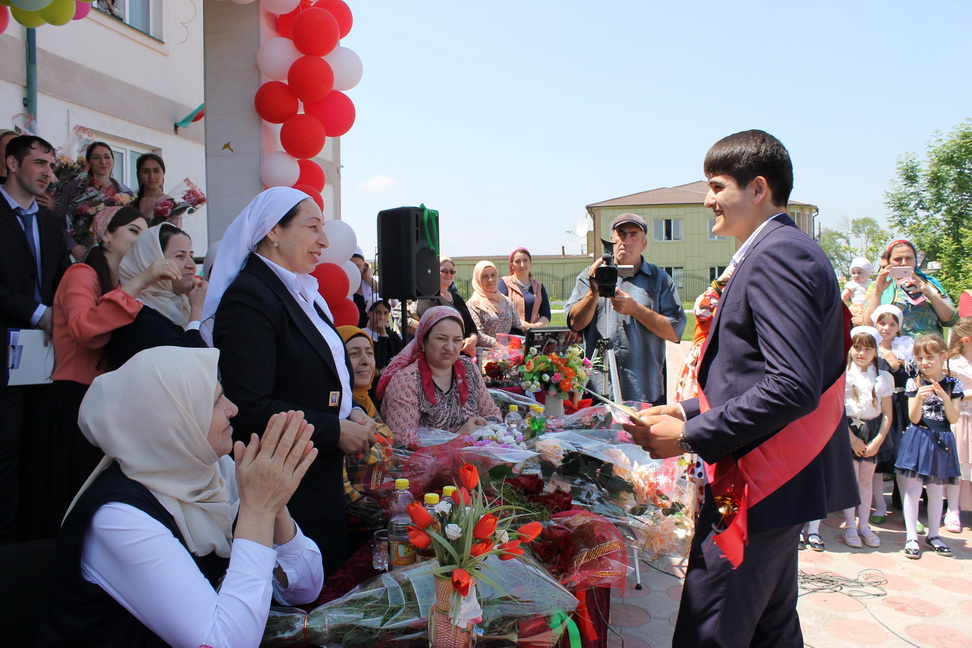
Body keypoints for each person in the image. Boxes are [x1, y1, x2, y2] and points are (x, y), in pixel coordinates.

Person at [624, 130, 856, 647]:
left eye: (716, 186)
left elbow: (791, 384)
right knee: (770, 629)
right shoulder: (776, 250)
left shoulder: (779, 255)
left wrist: (690, 436)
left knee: (713, 628)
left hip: (760, 479)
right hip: (769, 478)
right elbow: (749, 373)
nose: (707, 200)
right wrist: (687, 410)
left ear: (757, 188)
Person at [37, 347, 324, 648]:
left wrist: (274, 503)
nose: (232, 409)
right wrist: (259, 510)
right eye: (214, 402)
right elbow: (223, 643)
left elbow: (305, 589)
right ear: (174, 421)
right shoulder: (118, 517)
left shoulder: (215, 473)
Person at [203, 186, 377, 573]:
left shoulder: (302, 292)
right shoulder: (249, 298)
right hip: (286, 493)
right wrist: (335, 430)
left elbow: (323, 376)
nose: (324, 240)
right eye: (313, 227)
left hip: (318, 476)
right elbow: (250, 408)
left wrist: (351, 412)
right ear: (273, 231)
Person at [45, 206, 180, 537]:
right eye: (132, 230)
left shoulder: (118, 282)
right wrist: (142, 280)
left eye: (143, 232)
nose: (139, 238)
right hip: (74, 392)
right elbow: (85, 330)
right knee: (72, 487)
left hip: (105, 397)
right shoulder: (81, 273)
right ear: (106, 235)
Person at [0, 135, 71, 544]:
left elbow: (60, 276)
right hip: (8, 346)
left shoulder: (49, 221)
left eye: (51, 165)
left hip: (44, 354)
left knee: (38, 444)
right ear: (12, 164)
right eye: (40, 163)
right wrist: (38, 312)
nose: (48, 173)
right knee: (5, 446)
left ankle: (33, 540)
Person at [565, 213, 685, 406]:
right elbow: (575, 324)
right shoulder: (590, 275)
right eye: (621, 234)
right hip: (597, 390)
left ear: (644, 244)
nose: (626, 241)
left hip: (644, 390)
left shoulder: (659, 279)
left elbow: (675, 332)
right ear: (612, 240)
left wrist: (636, 310)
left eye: (633, 234)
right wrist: (593, 292)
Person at [378, 306, 502, 444]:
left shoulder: (469, 369)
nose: (449, 347)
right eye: (441, 338)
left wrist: (484, 426)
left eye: (457, 340)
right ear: (423, 341)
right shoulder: (407, 381)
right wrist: (457, 437)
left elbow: (493, 414)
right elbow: (402, 444)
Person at [895, 333, 962, 559]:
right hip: (919, 436)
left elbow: (953, 418)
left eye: (930, 357)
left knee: (936, 490)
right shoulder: (913, 382)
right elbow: (914, 418)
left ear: (943, 356)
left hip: (942, 439)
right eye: (920, 358)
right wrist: (919, 398)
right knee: (913, 489)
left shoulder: (953, 384)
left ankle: (934, 535)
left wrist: (944, 397)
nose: (925, 362)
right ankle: (911, 536)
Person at [107, 223, 209, 369]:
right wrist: (197, 310)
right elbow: (189, 366)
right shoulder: (139, 317)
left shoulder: (180, 304)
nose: (192, 265)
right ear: (151, 260)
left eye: (191, 256)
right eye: (180, 256)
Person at [338, 325, 395, 551]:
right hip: (354, 536)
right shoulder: (337, 412)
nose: (365, 361)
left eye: (369, 353)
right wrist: (389, 513)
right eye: (354, 354)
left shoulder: (368, 405)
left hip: (380, 527)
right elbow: (342, 491)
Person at [841, 326, 894, 549]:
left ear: (875, 352)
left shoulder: (883, 378)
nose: (861, 353)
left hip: (872, 432)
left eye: (868, 349)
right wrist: (853, 440)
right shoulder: (843, 376)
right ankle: (849, 525)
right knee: (851, 479)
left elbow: (887, 413)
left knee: (866, 480)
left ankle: (864, 524)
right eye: (857, 348)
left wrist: (878, 439)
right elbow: (836, 410)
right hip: (848, 431)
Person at [869, 304, 913, 525]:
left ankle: (908, 509)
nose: (886, 328)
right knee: (878, 460)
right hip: (877, 407)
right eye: (882, 323)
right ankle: (880, 504)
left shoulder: (905, 348)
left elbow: (912, 379)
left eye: (892, 324)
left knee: (903, 459)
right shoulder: (869, 347)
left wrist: (897, 364)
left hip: (901, 406)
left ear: (898, 327)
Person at [863, 238, 957, 338]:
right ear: (889, 262)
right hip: (895, 345)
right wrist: (878, 292)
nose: (904, 263)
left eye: (908, 258)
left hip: (930, 345)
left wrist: (929, 293)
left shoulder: (930, 283)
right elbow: (868, 324)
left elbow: (950, 319)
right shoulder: (878, 285)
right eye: (898, 259)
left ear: (915, 260)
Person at [55, 141, 133, 259]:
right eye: (96, 158)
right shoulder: (74, 187)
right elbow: (59, 221)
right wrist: (72, 246)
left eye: (107, 157)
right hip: (79, 255)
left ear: (113, 160)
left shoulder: (126, 193)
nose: (103, 162)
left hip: (113, 256)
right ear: (89, 162)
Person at [409, 257, 478, 356]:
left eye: (452, 271)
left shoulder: (457, 298)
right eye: (444, 271)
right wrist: (459, 342)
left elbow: (471, 324)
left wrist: (473, 338)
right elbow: (437, 328)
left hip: (464, 354)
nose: (449, 274)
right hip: (444, 355)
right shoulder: (428, 298)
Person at [947, 317, 972, 533]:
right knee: (959, 465)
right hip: (962, 419)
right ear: (966, 340)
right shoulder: (953, 364)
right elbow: (949, 394)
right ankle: (953, 509)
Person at [466, 260, 524, 347]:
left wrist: (514, 345)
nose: (490, 279)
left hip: (510, 352)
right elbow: (477, 334)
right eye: (485, 276)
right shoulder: (473, 304)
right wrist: (499, 345)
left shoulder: (507, 301)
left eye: (493, 275)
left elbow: (517, 328)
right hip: (485, 353)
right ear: (478, 279)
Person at [497, 247, 551, 329]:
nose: (522, 265)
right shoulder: (504, 284)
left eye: (525, 260)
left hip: (534, 334)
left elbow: (546, 314)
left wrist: (534, 327)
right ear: (512, 265)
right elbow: (501, 312)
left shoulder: (539, 286)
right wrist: (523, 325)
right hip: (512, 334)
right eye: (517, 261)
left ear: (530, 262)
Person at [131, 152, 175, 226]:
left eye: (156, 171)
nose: (151, 176)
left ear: (163, 173)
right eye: (145, 171)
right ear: (139, 174)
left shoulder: (171, 204)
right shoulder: (131, 202)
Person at [363, 294, 403, 375]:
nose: (381, 317)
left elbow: (402, 361)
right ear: (368, 313)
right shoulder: (362, 335)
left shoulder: (393, 336)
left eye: (385, 313)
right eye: (378, 313)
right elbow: (379, 363)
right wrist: (382, 336)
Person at [842, 256, 872, 326]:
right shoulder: (852, 284)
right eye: (853, 273)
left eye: (859, 273)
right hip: (856, 306)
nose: (856, 275)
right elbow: (844, 296)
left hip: (868, 307)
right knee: (853, 320)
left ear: (867, 273)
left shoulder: (871, 283)